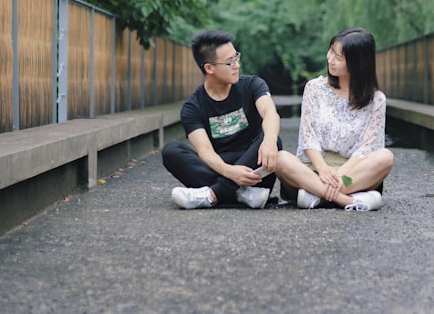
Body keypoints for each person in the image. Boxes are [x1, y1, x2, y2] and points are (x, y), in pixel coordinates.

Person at [274, 27, 394, 211]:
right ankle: (346, 200)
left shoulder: (376, 100)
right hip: (313, 171)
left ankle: (317, 197)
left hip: (350, 175)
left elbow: (367, 148)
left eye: (339, 58)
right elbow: (308, 136)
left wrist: (339, 175)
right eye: (330, 52)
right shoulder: (314, 88)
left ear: (358, 63)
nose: (330, 60)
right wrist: (322, 169)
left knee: (385, 157)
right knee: (280, 158)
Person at [161, 29, 282, 209]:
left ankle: (212, 195)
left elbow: (270, 112)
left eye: (236, 58)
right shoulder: (193, 107)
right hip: (220, 166)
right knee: (171, 151)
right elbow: (205, 152)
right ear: (209, 68)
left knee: (273, 139)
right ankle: (241, 194)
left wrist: (270, 141)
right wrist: (230, 172)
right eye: (229, 62)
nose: (236, 66)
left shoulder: (252, 85)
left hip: (253, 167)